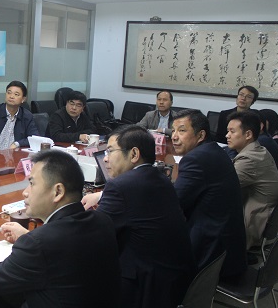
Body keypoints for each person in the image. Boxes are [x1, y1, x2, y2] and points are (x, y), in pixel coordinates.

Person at [0, 150, 120, 308]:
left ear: (58, 192)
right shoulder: (102, 221)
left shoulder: (38, 244)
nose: (25, 192)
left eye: (32, 183)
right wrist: (28, 235)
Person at [82, 125, 194, 308]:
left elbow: (93, 236)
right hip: (173, 280)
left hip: (146, 287)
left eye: (110, 151)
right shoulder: (161, 178)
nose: (106, 159)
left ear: (134, 154)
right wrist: (102, 197)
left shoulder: (120, 187)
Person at [171, 109, 247, 278]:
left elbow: (173, 204)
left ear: (201, 135)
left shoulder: (196, 159)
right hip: (227, 246)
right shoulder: (213, 151)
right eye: (173, 130)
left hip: (212, 253)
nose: (174, 136)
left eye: (182, 131)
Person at [225, 111, 278, 249]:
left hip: (253, 223)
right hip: (262, 218)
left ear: (248, 134)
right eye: (227, 131)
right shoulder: (258, 150)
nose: (227, 135)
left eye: (232, 131)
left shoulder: (249, 159)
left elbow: (222, 187)